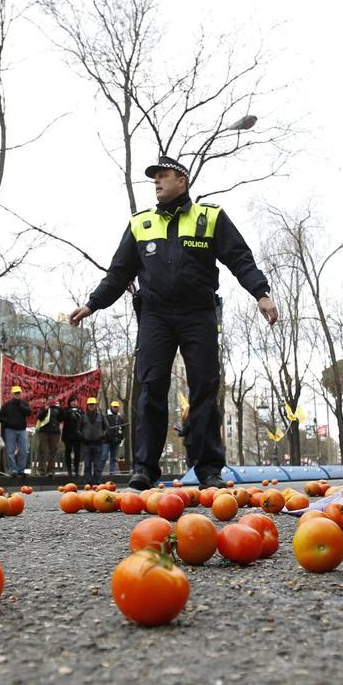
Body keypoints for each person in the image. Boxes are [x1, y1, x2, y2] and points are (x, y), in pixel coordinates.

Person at [69, 155, 278, 490]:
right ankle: (145, 468)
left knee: (204, 388)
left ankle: (209, 469)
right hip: (155, 317)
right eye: (154, 178)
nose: (157, 182)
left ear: (183, 180)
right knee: (150, 387)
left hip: (199, 315)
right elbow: (118, 272)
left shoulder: (209, 218)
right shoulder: (141, 224)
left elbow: (240, 257)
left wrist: (261, 293)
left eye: (163, 176)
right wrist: (92, 304)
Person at [0, 385, 32, 477]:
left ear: (20, 394)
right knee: (10, 451)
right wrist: (8, 422)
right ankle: (13, 469)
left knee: (24, 450)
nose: (17, 395)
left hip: (22, 430)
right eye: (15, 393)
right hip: (10, 430)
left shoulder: (24, 403)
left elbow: (29, 412)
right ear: (12, 394)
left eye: (18, 393)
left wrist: (19, 405)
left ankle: (21, 469)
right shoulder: (7, 405)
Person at [78, 396, 108, 486]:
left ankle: (97, 481)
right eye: (90, 405)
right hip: (86, 444)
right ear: (87, 406)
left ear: (96, 405)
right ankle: (88, 482)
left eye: (93, 404)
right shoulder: (82, 417)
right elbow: (78, 429)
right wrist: (82, 436)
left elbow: (107, 428)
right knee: (87, 464)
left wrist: (102, 435)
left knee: (97, 465)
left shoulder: (101, 417)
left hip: (98, 444)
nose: (91, 406)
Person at [35, 397, 63, 475]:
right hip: (44, 432)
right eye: (49, 399)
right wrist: (46, 409)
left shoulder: (57, 409)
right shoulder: (43, 408)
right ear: (46, 401)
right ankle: (41, 470)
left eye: (53, 399)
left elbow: (62, 418)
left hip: (55, 432)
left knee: (53, 451)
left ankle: (51, 470)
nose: (51, 401)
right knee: (43, 450)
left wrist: (60, 408)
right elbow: (40, 417)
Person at [61, 395, 82, 477]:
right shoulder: (66, 410)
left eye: (75, 401)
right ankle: (69, 470)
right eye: (72, 401)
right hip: (68, 435)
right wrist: (68, 413)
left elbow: (82, 420)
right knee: (68, 452)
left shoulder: (80, 411)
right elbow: (62, 418)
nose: (74, 403)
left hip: (77, 436)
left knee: (77, 453)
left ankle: (76, 469)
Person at [104, 400, 126, 475]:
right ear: (111, 407)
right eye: (114, 407)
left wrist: (121, 437)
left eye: (117, 407)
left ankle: (112, 472)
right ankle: (99, 471)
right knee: (104, 456)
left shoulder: (120, 418)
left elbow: (123, 429)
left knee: (113, 458)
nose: (116, 408)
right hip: (106, 441)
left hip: (116, 441)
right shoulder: (106, 416)